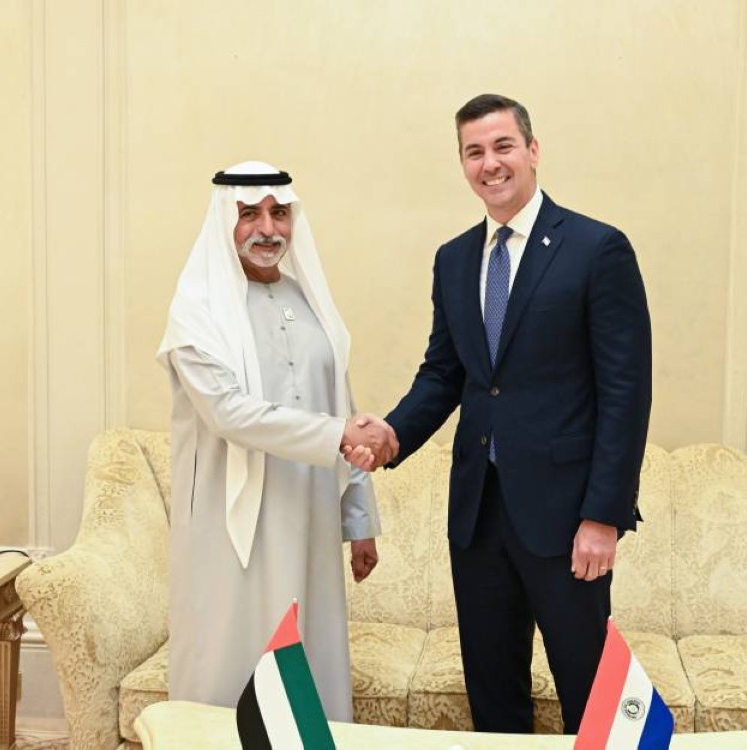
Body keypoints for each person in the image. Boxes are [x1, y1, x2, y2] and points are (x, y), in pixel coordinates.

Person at [347, 94, 652, 733]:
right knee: (493, 698)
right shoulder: (454, 259)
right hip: (477, 514)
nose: (490, 163)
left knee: (590, 700)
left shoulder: (597, 249)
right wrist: (393, 433)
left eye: (503, 146)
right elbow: (445, 374)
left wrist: (604, 516)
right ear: (463, 164)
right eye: (474, 152)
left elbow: (626, 394)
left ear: (533, 151)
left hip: (567, 520)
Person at [158, 161, 395, 721]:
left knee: (308, 651)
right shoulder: (197, 312)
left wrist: (359, 522)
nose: (268, 229)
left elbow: (340, 403)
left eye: (279, 213)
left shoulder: (309, 301)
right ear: (225, 220)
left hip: (310, 513)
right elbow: (228, 414)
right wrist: (340, 433)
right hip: (230, 520)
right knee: (233, 655)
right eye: (249, 214)